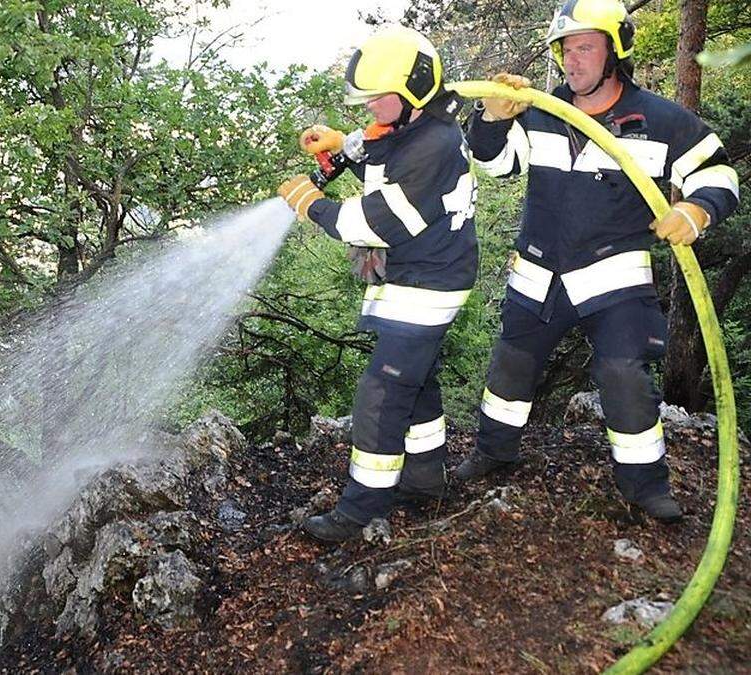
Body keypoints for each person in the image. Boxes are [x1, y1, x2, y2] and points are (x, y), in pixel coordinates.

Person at [455, 0, 740, 522]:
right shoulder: (541, 109)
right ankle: (494, 452)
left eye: (585, 46)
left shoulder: (660, 119)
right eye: (566, 49)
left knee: (624, 375)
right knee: (511, 367)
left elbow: (717, 175)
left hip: (615, 277)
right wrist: (492, 121)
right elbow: (498, 166)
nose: (572, 60)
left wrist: (696, 211)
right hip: (540, 273)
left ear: (616, 51)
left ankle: (646, 487)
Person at [277, 26, 479, 541]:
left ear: (414, 90)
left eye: (378, 97)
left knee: (382, 390)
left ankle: (361, 508)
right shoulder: (416, 126)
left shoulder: (435, 144)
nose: (370, 106)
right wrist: (338, 145)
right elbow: (380, 150)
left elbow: (373, 222)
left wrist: (311, 204)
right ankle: (426, 477)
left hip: (429, 283)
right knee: (417, 379)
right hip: (424, 273)